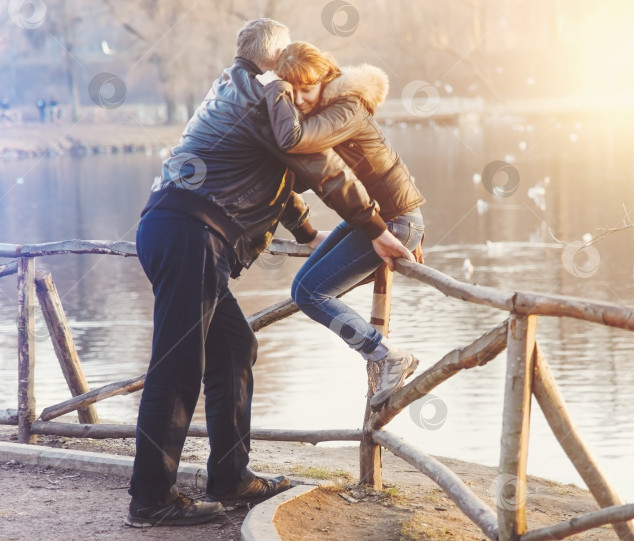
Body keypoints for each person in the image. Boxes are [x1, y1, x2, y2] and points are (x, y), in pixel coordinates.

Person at [127, 19, 413, 528]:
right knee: (176, 369)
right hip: (191, 234)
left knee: (235, 347)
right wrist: (374, 227)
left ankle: (232, 478)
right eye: (285, 67)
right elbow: (320, 171)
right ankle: (151, 500)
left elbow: (271, 172)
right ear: (271, 63)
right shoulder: (265, 98)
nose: (291, 76)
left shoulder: (235, 86)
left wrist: (307, 236)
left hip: (176, 230)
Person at [261, 41, 426, 411]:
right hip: (375, 220)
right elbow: (301, 175)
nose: (300, 100)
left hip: (394, 222)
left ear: (326, 78)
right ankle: (383, 353)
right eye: (293, 92)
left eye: (306, 90)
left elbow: (298, 142)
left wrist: (274, 91)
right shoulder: (329, 111)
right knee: (305, 287)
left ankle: (385, 354)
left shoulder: (347, 107)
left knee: (310, 294)